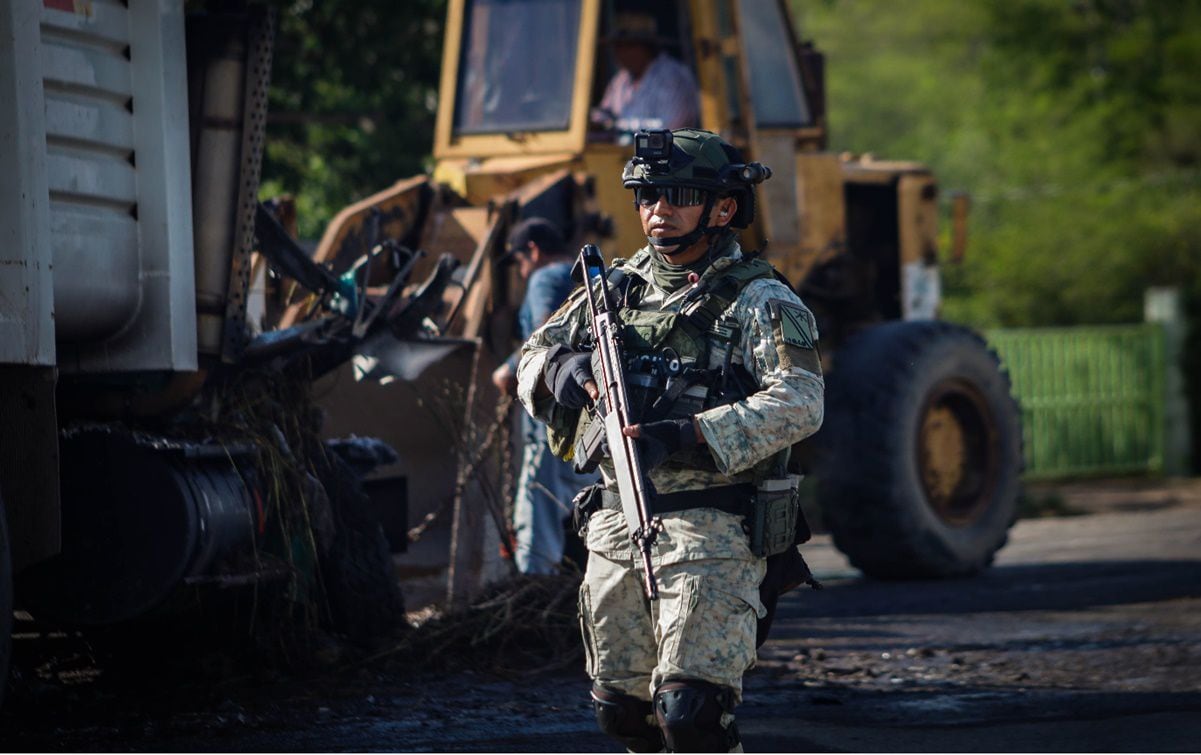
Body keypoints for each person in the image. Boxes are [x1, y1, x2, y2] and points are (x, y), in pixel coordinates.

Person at [516, 129, 824, 752]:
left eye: (678, 196)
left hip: (714, 530)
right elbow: (532, 355)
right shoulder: (615, 289)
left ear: (724, 207)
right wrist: (564, 371)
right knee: (624, 715)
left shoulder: (759, 299)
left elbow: (800, 401)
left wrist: (688, 434)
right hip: (616, 527)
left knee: (692, 715)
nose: (658, 211)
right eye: (647, 195)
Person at [492, 218, 585, 574]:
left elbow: (548, 334)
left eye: (518, 261)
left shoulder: (545, 278)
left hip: (552, 421)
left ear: (532, 249)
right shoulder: (591, 274)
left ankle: (534, 585)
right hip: (586, 418)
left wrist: (509, 368)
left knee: (538, 505)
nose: (520, 271)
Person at [592, 12, 700, 133]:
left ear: (646, 47)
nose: (620, 53)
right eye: (617, 46)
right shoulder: (620, 80)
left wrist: (618, 126)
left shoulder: (674, 77)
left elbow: (673, 131)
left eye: (628, 46)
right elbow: (603, 115)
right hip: (623, 151)